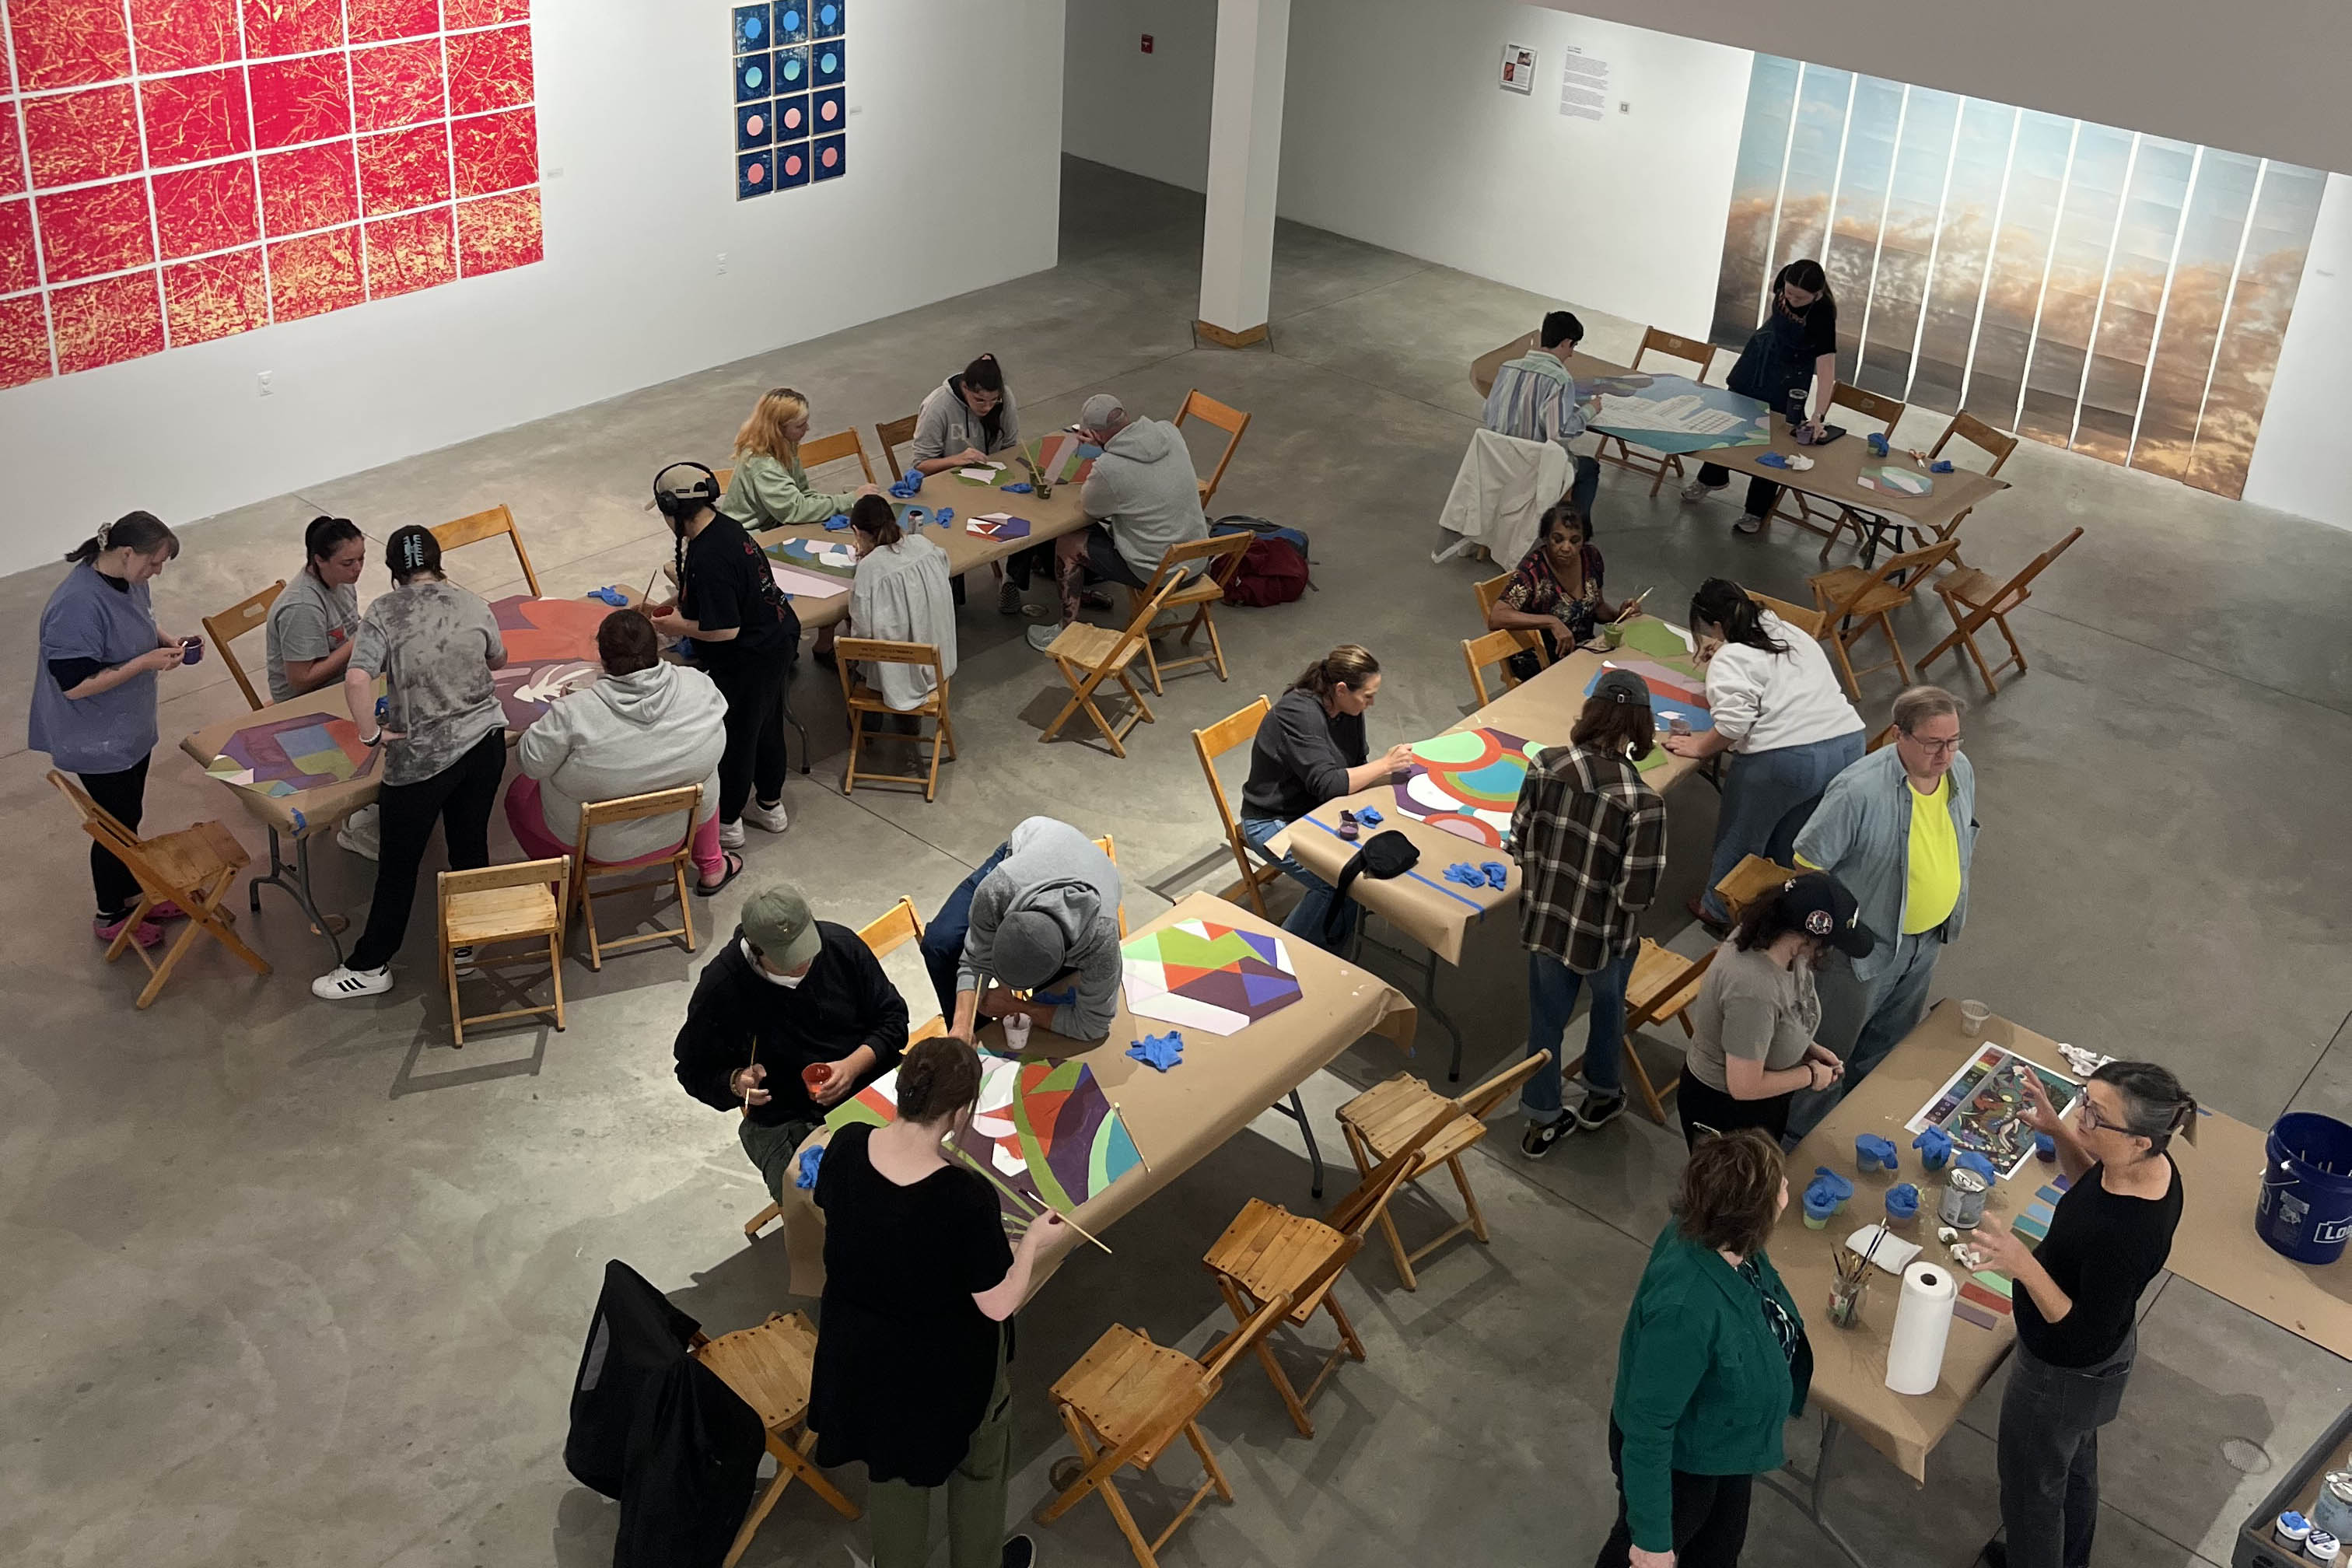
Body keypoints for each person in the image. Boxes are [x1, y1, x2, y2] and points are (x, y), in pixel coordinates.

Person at [810, 1034, 1059, 1568]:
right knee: (980, 1465)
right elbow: (997, 1304)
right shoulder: (963, 1197)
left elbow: (845, 1216)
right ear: (961, 1111)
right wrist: (1034, 1242)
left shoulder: (848, 1144)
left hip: (862, 1356)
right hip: (943, 1370)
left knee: (894, 1474)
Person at [1973, 1062, 2194, 1568]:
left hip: (2063, 1370)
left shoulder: (2128, 1233)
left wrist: (2021, 1264)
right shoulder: (2144, 1170)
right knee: (2070, 1467)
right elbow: (2088, 1189)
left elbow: (2076, 1328)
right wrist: (2055, 1128)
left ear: (2141, 1140)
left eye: (2097, 1116)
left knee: (2032, 1493)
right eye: (2085, 1103)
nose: (2084, 1120)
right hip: (2101, 1358)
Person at [1598, 1128, 1810, 1568]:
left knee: (1718, 1550)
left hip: (1723, 1444)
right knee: (1639, 1555)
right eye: (1780, 1187)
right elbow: (1649, 1425)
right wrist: (1653, 1541)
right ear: (1753, 1216)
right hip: (1681, 1465)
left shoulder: (1725, 1241)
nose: (1788, 1189)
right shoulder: (1686, 1310)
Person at [313, 527, 507, 999]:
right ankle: (467, 942)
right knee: (469, 845)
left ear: (393, 571)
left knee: (399, 865)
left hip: (422, 758)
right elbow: (498, 660)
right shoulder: (473, 602)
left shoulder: (383, 612)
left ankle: (372, 963)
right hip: (484, 744)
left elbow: (358, 678)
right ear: (439, 562)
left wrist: (372, 735)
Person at [1784, 684, 1976, 1140]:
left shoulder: (1960, 771)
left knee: (1888, 1047)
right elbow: (1808, 864)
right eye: (1933, 743)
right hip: (1862, 953)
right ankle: (1803, 1140)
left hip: (1927, 941)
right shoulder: (1858, 790)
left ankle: (1857, 1125)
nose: (1946, 754)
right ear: (1898, 736)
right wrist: (1835, 936)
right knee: (1829, 1053)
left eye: (1954, 741)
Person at [671, 883, 910, 1203]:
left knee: (933, 1161)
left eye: (806, 948)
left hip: (870, 1079)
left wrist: (852, 1067)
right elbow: (692, 1070)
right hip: (789, 1114)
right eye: (788, 958)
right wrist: (735, 1083)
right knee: (829, 1208)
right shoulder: (723, 987)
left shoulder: (839, 945)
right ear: (756, 950)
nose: (803, 963)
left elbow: (893, 1020)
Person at [1514, 670, 1668, 1155]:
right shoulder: (1643, 803)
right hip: (1605, 939)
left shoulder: (1543, 765)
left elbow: (1519, 842)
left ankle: (1541, 1118)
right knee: (1608, 1012)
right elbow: (1635, 896)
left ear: (1590, 713)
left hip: (1545, 922)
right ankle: (1603, 1094)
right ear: (1640, 730)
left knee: (1545, 1022)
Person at [30, 510, 191, 950]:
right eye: (154, 562)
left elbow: (140, 616)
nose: (158, 571)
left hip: (126, 728)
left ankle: (134, 895)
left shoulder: (128, 577)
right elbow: (75, 685)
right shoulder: (76, 605)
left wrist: (163, 640)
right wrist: (143, 663)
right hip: (95, 739)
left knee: (128, 817)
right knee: (113, 826)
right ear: (125, 553)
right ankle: (111, 914)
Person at [1663, 579, 1864, 928]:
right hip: (1847, 743)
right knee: (1791, 835)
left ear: (1716, 627)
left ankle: (1718, 908)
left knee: (1742, 834)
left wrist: (1698, 747)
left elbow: (1732, 725)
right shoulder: (1788, 632)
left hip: (1788, 760)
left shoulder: (1731, 657)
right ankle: (1777, 896)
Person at [507, 607, 738, 895]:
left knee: (519, 794)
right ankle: (712, 866)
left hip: (601, 844)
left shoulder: (574, 713)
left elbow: (531, 764)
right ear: (657, 648)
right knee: (701, 772)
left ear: (602, 659)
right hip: (683, 826)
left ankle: (562, 891)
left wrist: (553, 720)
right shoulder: (699, 685)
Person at [646, 462, 800, 848]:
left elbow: (726, 629)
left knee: (738, 736)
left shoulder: (710, 555)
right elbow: (709, 594)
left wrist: (675, 627)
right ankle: (770, 804)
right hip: (778, 637)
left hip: (751, 654)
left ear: (672, 510)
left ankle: (729, 822)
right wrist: (670, 607)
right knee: (767, 724)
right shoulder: (725, 529)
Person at [1237, 646, 1416, 950]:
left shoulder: (1347, 709)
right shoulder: (1298, 714)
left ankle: (1332, 942)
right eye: (1367, 696)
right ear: (1342, 689)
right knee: (1338, 882)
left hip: (1317, 810)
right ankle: (1288, 958)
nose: (1371, 703)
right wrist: (1386, 766)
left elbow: (1356, 763)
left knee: (1375, 860)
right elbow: (1329, 784)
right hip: (1272, 821)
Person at [1677, 873, 1867, 1149]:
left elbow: (1776, 1022)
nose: (1828, 953)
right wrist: (1811, 1075)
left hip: (1764, 1101)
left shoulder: (1778, 941)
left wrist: (1807, 1048)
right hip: (1727, 1111)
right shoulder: (1754, 988)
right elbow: (1743, 1086)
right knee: (1737, 1191)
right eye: (1829, 944)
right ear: (1807, 937)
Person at [1024, 391, 1208, 653]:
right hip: (1197, 561)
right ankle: (1157, 613)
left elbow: (1091, 508)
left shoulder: (1109, 468)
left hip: (1159, 573)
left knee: (1068, 541)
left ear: (1095, 435)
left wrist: (1102, 453)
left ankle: (1065, 630)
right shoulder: (1169, 432)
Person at [919, 817, 1122, 1045]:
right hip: (1034, 842)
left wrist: (1015, 1007)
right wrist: (962, 1026)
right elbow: (975, 960)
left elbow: (1093, 1025)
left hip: (1093, 867)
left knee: (1053, 994)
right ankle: (973, 1036)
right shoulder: (997, 890)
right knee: (942, 944)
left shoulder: (1101, 940)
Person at [1684, 259, 1840, 534]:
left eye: (1799, 297)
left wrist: (1818, 416)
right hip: (1759, 356)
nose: (1790, 298)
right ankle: (1712, 477)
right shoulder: (1785, 277)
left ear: (1816, 294)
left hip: (1791, 373)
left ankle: (1756, 510)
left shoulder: (1823, 314)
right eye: (1788, 293)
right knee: (1731, 419)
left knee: (1773, 438)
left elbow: (1826, 370)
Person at [265, 515, 381, 859]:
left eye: (361, 558)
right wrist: (358, 643)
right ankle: (360, 821)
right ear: (318, 560)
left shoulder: (341, 580)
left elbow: (350, 631)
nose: (358, 569)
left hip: (345, 682)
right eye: (348, 562)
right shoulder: (302, 607)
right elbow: (300, 682)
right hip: (311, 705)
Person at [830, 494, 957, 716]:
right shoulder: (923, 544)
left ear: (858, 533)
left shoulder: (869, 568)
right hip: (940, 663)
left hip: (900, 680)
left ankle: (866, 727)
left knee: (855, 655)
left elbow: (862, 635)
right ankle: (908, 723)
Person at [1482, 308, 1602, 522]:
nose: (1572, 353)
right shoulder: (1559, 379)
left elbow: (1487, 413)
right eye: (1573, 346)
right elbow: (1559, 433)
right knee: (1589, 468)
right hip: (1533, 470)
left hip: (1496, 463)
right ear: (1565, 343)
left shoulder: (1507, 368)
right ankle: (1573, 535)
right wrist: (1590, 410)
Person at [1485, 501, 1622, 677]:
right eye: (1558, 539)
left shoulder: (1591, 557)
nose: (1566, 548)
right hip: (1540, 660)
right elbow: (1497, 617)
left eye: (1575, 541)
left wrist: (1620, 615)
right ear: (1546, 538)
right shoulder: (1533, 571)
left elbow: (1597, 606)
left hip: (1583, 653)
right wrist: (1551, 621)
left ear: (1584, 540)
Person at [721, 387, 882, 530]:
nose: (808, 428)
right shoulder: (763, 464)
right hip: (751, 535)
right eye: (800, 425)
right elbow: (795, 511)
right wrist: (850, 499)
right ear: (777, 429)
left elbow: (803, 494)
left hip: (775, 524)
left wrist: (842, 502)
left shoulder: (785, 445)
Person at [907, 352, 1022, 477]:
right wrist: (955, 460)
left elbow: (1010, 447)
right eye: (980, 400)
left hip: (991, 474)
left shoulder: (1005, 397)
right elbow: (920, 466)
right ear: (965, 387)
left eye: (994, 400)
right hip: (950, 478)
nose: (988, 407)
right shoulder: (937, 406)